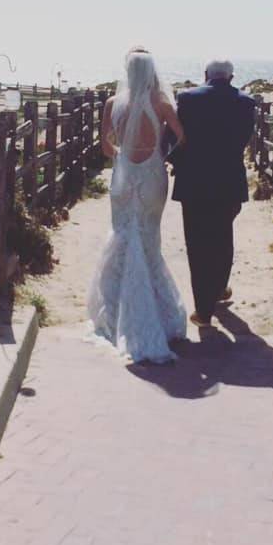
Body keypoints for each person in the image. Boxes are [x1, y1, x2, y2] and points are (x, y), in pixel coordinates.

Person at [86, 48, 188, 364]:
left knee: (121, 237)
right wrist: (160, 154)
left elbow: (105, 145)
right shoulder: (162, 103)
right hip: (152, 176)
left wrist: (122, 154)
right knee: (149, 241)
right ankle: (157, 314)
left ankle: (115, 313)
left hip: (124, 177)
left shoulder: (113, 104)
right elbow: (182, 137)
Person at [169, 59, 255, 327]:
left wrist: (175, 161)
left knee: (197, 245)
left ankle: (203, 311)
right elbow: (244, 139)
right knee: (223, 237)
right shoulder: (246, 102)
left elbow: (176, 137)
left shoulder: (187, 98)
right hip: (229, 180)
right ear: (231, 77)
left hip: (193, 180)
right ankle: (219, 288)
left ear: (205, 75)